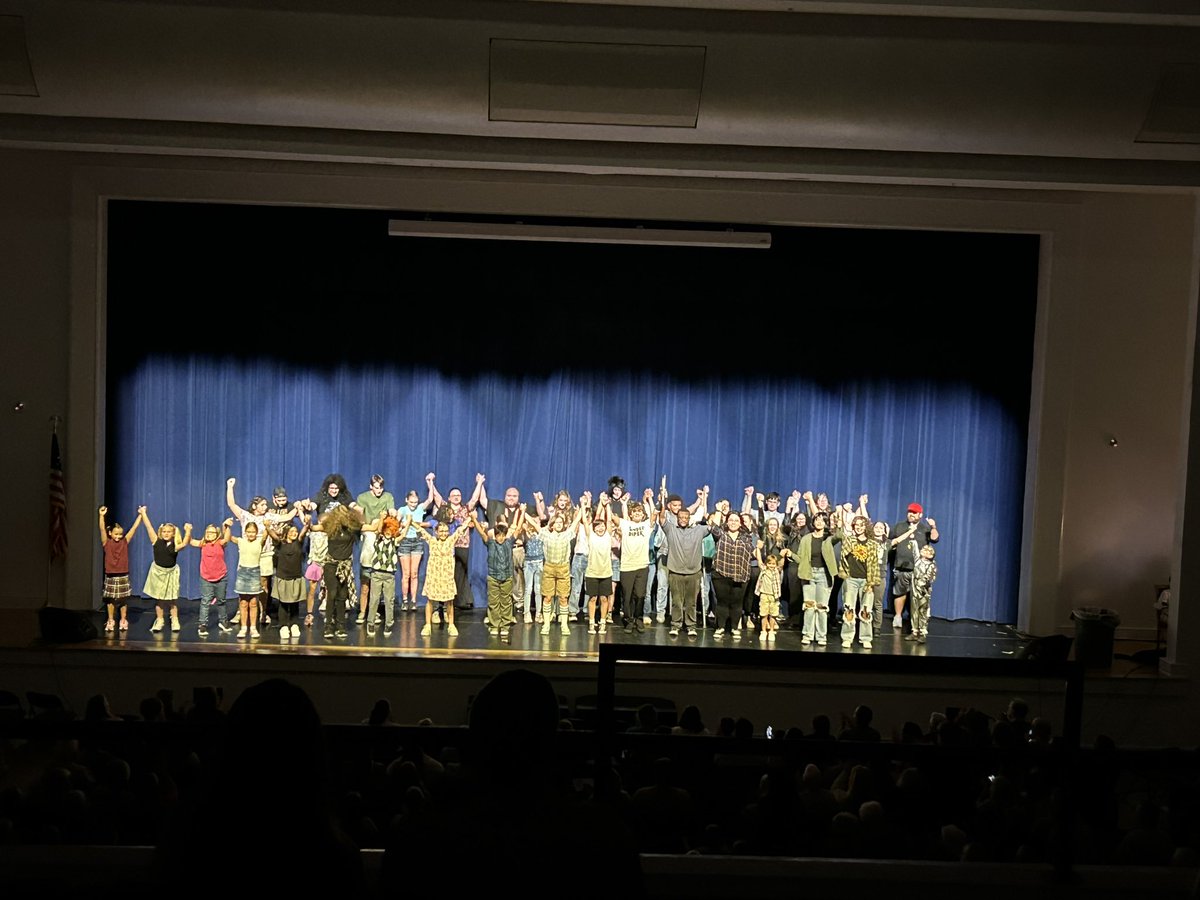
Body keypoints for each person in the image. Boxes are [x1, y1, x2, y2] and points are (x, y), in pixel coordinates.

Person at [782, 510, 841, 646]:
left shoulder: (828, 538)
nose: (819, 522)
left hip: (824, 575)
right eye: (817, 519)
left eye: (822, 520)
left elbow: (840, 535)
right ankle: (807, 634)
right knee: (809, 606)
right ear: (813, 522)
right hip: (809, 575)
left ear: (826, 523)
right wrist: (791, 554)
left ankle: (821, 636)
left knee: (821, 608)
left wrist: (839, 519)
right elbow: (801, 558)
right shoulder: (806, 538)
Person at [658, 485, 709, 639]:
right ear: (677, 518)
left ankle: (691, 626)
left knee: (691, 602)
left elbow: (709, 521)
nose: (683, 520)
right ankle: (676, 625)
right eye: (680, 517)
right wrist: (662, 502)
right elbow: (662, 518)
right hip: (675, 572)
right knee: (676, 602)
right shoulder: (671, 529)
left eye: (686, 518)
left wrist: (705, 498)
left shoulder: (698, 530)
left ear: (689, 518)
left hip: (694, 573)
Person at [430, 472, 483, 610]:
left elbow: (475, 498)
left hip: (463, 545)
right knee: (446, 574)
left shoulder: (466, 508)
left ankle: (460, 602)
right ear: (449, 498)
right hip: (447, 546)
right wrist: (430, 482)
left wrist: (479, 483)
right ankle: (442, 603)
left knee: (461, 573)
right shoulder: (445, 508)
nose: (456, 497)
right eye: (453, 495)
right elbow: (436, 496)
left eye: (458, 495)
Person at [309, 504, 363, 640]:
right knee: (332, 593)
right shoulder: (329, 526)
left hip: (345, 565)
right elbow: (313, 528)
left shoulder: (352, 528)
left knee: (342, 596)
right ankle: (328, 625)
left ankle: (341, 626)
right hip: (331, 564)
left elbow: (370, 527)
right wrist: (308, 522)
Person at [468, 506, 523, 639]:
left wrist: (523, 512)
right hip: (493, 577)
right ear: (495, 535)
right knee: (493, 602)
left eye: (503, 535)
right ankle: (494, 625)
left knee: (506, 602)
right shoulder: (491, 543)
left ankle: (505, 625)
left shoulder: (509, 543)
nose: (500, 538)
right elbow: (481, 533)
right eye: (498, 535)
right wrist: (474, 520)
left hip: (507, 577)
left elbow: (518, 528)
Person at [480, 478, 529, 621]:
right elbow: (485, 535)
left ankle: (512, 612)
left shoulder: (511, 531)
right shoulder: (494, 530)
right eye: (509, 495)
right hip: (497, 562)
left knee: (514, 582)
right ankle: (494, 615)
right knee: (496, 588)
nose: (511, 498)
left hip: (515, 551)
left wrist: (522, 512)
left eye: (514, 496)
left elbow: (517, 526)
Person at [137, 506, 192, 634]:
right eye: (164, 531)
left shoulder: (175, 545)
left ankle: (175, 619)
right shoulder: (156, 541)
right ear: (161, 532)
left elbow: (184, 543)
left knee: (172, 600)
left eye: (169, 532)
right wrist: (143, 513)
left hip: (171, 573)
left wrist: (188, 531)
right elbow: (148, 527)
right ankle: (160, 619)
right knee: (160, 599)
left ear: (173, 533)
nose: (166, 533)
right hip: (158, 573)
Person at [707, 506, 756, 641]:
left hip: (740, 575)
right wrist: (718, 511)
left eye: (736, 520)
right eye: (731, 520)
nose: (733, 522)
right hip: (721, 573)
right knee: (722, 602)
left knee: (737, 603)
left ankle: (734, 628)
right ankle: (720, 627)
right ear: (727, 522)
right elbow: (714, 527)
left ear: (740, 523)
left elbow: (751, 552)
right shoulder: (721, 534)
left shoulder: (746, 537)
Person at [538, 501, 587, 635]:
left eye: (561, 522)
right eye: (556, 522)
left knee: (563, 598)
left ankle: (564, 625)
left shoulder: (567, 534)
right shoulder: (546, 534)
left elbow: (576, 521)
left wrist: (582, 506)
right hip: (549, 568)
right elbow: (534, 524)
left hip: (563, 568)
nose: (559, 524)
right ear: (552, 524)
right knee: (547, 597)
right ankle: (546, 624)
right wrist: (523, 512)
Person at [889, 502, 940, 630]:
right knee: (899, 593)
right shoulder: (899, 526)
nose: (911, 514)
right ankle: (898, 617)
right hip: (901, 566)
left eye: (914, 513)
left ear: (920, 515)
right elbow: (890, 541)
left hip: (919, 570)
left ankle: (916, 622)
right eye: (910, 512)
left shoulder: (925, 528)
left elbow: (935, 539)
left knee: (918, 596)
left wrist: (933, 526)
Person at [612, 491, 655, 635]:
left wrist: (650, 499)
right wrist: (611, 504)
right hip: (627, 567)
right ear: (630, 514)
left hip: (642, 566)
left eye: (640, 512)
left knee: (640, 595)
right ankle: (629, 620)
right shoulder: (625, 524)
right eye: (634, 512)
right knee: (627, 596)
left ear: (643, 515)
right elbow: (613, 518)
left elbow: (654, 514)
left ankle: (638, 619)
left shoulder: (646, 525)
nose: (637, 513)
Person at [837, 510, 881, 650]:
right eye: (856, 525)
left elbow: (874, 565)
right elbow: (843, 557)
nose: (859, 527)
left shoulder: (872, 544)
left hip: (866, 580)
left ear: (866, 527)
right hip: (851, 579)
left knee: (866, 610)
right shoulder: (849, 540)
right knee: (849, 608)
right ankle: (847, 637)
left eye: (862, 525)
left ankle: (866, 638)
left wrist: (872, 583)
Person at [355, 475, 396, 615]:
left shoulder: (387, 497)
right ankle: (362, 611)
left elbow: (391, 511)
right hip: (368, 532)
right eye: (377, 488)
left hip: (382, 533)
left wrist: (393, 513)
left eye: (381, 488)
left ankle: (374, 611)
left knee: (376, 584)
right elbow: (360, 520)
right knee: (365, 583)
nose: (379, 490)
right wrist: (370, 525)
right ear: (371, 487)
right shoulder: (362, 497)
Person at [98, 505, 141, 633]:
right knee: (110, 600)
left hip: (123, 574)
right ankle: (111, 620)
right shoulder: (106, 542)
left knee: (123, 599)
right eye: (116, 534)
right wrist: (101, 516)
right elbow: (101, 529)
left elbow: (134, 528)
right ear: (110, 533)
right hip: (111, 575)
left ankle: (123, 619)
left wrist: (140, 515)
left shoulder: (124, 541)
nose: (118, 536)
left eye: (120, 534)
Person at [358, 511, 402, 635]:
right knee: (374, 599)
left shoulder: (394, 542)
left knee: (389, 600)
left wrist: (408, 522)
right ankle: (370, 623)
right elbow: (378, 530)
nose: (388, 532)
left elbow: (402, 535)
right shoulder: (378, 540)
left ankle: (389, 624)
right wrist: (381, 519)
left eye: (390, 530)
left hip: (389, 576)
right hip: (377, 574)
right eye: (386, 529)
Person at [396, 474, 436, 611]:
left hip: (417, 542)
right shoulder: (402, 510)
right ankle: (404, 600)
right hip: (405, 541)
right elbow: (396, 523)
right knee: (406, 574)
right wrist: (402, 525)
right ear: (406, 500)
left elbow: (430, 499)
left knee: (414, 574)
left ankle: (413, 600)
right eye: (411, 502)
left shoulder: (420, 508)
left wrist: (430, 481)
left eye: (415, 502)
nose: (413, 505)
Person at [414, 518, 459, 637]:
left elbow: (461, 530)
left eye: (446, 531)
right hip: (434, 576)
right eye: (441, 531)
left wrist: (471, 518)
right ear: (436, 532)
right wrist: (410, 521)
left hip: (447, 576)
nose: (444, 533)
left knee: (449, 602)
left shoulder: (451, 540)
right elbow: (421, 530)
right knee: (430, 601)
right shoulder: (432, 540)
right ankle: (427, 625)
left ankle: (451, 625)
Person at [189, 518, 233, 637]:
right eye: (207, 532)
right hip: (206, 578)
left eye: (212, 532)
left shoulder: (220, 543)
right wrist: (188, 531)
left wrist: (227, 526)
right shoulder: (203, 543)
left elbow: (227, 538)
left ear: (217, 534)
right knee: (205, 601)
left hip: (221, 577)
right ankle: (203, 624)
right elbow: (190, 541)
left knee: (221, 601)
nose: (209, 534)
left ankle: (223, 622)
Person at [268, 519, 309, 641]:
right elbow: (274, 536)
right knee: (283, 604)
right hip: (283, 578)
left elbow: (303, 533)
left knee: (295, 603)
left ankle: (294, 624)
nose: (294, 533)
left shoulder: (298, 544)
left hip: (296, 578)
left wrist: (307, 524)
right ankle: (283, 626)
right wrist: (268, 527)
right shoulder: (280, 545)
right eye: (291, 531)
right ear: (286, 533)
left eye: (295, 531)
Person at [582, 496, 615, 634]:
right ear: (594, 529)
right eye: (597, 526)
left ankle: (602, 622)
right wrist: (583, 506)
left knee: (604, 598)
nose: (600, 528)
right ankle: (591, 622)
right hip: (592, 573)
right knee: (593, 598)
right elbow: (585, 521)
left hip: (605, 573)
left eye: (602, 526)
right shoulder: (591, 536)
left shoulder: (607, 535)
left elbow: (609, 520)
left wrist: (606, 506)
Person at [231, 519, 267, 639]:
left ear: (256, 532)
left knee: (253, 602)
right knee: (243, 602)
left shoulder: (259, 542)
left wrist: (267, 525)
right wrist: (226, 526)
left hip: (254, 572)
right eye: (249, 532)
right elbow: (228, 537)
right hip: (242, 573)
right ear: (245, 532)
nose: (251, 534)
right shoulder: (241, 541)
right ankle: (243, 627)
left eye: (253, 532)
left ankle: (253, 627)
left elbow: (266, 534)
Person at [906, 544, 938, 643]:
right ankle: (914, 631)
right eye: (924, 550)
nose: (926, 552)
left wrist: (922, 584)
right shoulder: (918, 561)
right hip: (915, 589)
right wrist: (913, 541)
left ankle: (923, 632)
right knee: (914, 610)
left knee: (923, 611)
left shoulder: (932, 565)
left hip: (924, 591)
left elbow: (930, 577)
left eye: (929, 551)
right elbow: (915, 550)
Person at [755, 552, 783, 642]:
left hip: (774, 596)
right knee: (763, 613)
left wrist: (783, 555)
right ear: (766, 563)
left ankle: (771, 631)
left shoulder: (777, 571)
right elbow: (759, 561)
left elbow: (781, 563)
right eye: (769, 563)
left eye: (773, 564)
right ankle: (763, 631)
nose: (771, 565)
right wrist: (758, 549)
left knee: (773, 614)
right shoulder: (763, 570)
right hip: (764, 595)